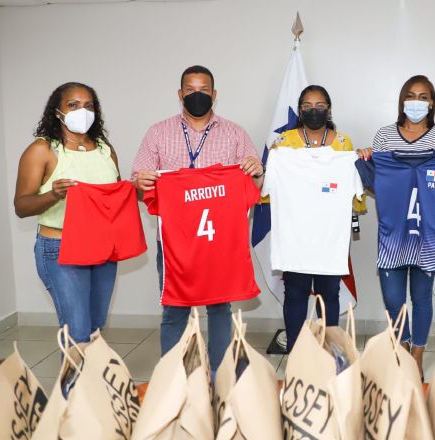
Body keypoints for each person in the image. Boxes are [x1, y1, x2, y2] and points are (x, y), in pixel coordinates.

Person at [132, 65, 264, 373]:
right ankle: (173, 376)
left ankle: (220, 374)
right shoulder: (158, 132)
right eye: (190, 91)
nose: (197, 96)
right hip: (175, 245)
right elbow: (140, 186)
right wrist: (142, 182)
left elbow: (254, 187)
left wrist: (256, 171)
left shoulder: (235, 134)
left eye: (203, 90)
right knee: (174, 309)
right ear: (180, 95)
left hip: (219, 244)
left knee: (220, 307)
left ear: (214, 95)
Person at [357, 75, 435, 374]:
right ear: (402, 100)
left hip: (429, 233)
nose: (417, 102)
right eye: (411, 96)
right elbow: (377, 183)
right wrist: (369, 163)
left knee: (422, 297)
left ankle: (417, 354)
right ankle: (401, 346)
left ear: (432, 102)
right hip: (394, 231)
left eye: (424, 96)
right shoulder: (385, 135)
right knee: (393, 299)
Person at [14, 82, 120, 343]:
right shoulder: (42, 150)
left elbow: (115, 197)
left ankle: (91, 384)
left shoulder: (104, 149)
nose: (82, 111)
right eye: (73, 105)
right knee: (77, 331)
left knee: (95, 330)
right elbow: (21, 206)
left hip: (103, 248)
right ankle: (72, 385)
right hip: (61, 248)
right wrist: (53, 194)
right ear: (56, 112)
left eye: (88, 106)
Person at [268, 84, 365, 351]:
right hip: (295, 235)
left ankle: (330, 350)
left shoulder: (344, 144)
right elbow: (268, 188)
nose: (314, 110)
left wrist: (360, 161)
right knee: (296, 293)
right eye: (308, 106)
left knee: (329, 294)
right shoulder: (283, 144)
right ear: (300, 109)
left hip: (329, 236)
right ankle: (297, 351)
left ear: (329, 109)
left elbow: (355, 193)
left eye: (320, 105)